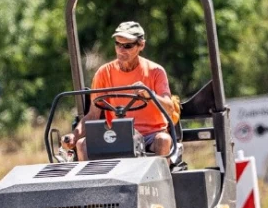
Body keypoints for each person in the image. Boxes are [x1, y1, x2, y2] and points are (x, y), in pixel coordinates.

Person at [66, 21, 181, 159]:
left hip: (150, 135)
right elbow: (92, 115)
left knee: (163, 140)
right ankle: (90, 180)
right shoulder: (104, 73)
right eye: (118, 44)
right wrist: (73, 135)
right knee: (81, 144)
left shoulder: (156, 71)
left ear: (141, 45)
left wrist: (150, 94)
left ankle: (161, 179)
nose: (121, 50)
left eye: (127, 46)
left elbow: (169, 108)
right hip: (117, 134)